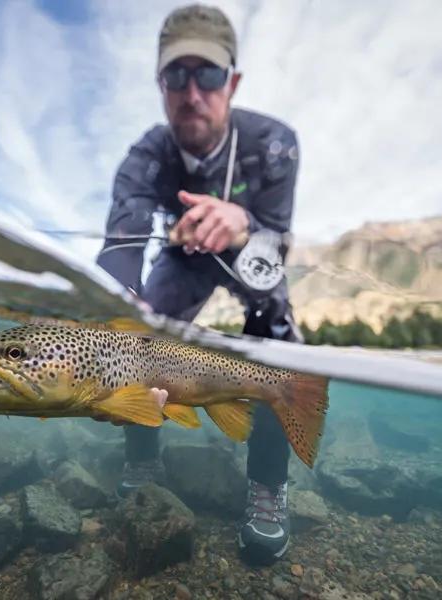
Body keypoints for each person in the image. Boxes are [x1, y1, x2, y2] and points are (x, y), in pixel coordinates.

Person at [95, 3, 302, 566]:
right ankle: (143, 459)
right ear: (160, 84)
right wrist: (127, 300)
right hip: (182, 259)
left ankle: (267, 485)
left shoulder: (275, 144)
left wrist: (244, 226)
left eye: (207, 74)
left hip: (249, 258)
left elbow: (280, 241)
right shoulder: (144, 156)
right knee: (131, 337)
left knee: (284, 353)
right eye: (176, 75)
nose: (192, 92)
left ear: (231, 82)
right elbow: (121, 248)